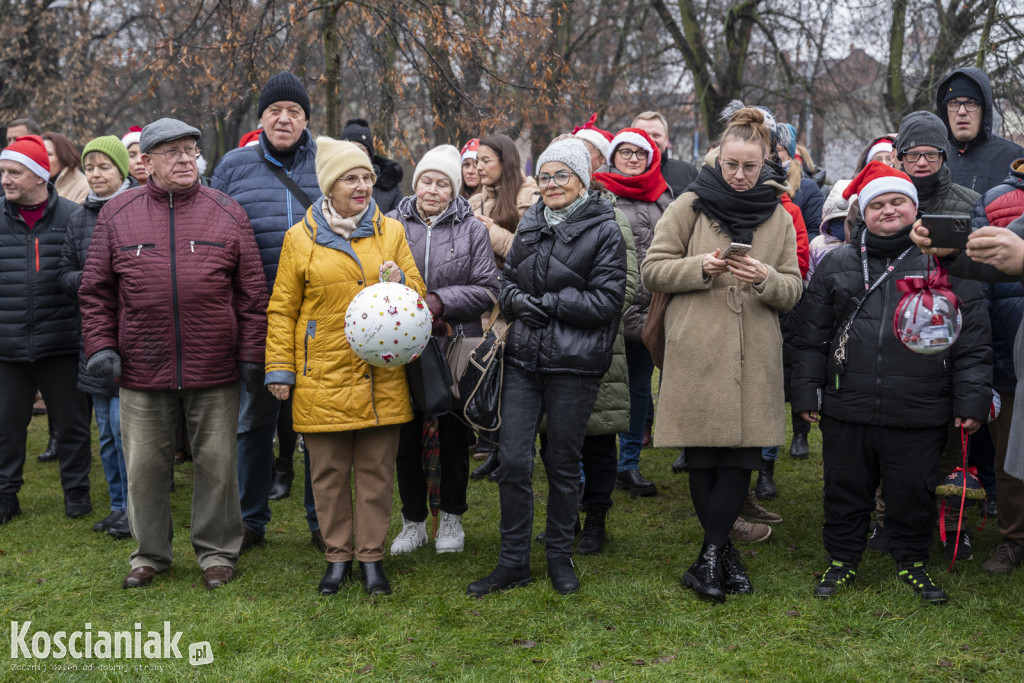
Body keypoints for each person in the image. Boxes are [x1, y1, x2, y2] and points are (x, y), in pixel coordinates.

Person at [79, 118, 269, 590]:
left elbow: (251, 294)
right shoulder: (118, 214)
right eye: (173, 152)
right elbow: (96, 292)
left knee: (217, 464)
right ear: (146, 162)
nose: (186, 159)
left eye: (191, 150)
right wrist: (102, 347)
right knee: (143, 466)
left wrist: (250, 353)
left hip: (214, 365)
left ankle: (217, 553)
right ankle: (149, 555)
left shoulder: (227, 211)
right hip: (143, 364)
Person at [792, 162, 991, 605]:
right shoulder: (838, 262)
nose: (888, 211)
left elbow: (974, 340)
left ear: (914, 208)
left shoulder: (947, 263)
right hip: (848, 404)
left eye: (897, 202)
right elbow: (810, 337)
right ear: (863, 212)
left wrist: (971, 399)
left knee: (911, 489)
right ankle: (843, 558)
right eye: (877, 204)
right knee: (845, 486)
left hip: (919, 406)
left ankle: (912, 560)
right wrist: (806, 391)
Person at [641, 107, 802, 602]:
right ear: (717, 158)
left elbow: (794, 288)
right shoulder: (688, 205)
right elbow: (652, 270)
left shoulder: (778, 214)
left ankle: (710, 558)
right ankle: (721, 555)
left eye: (749, 166)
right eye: (731, 164)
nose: (739, 174)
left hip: (754, 353)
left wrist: (767, 280)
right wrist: (702, 266)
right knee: (703, 457)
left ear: (765, 164)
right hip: (698, 349)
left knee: (741, 461)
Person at [466, 137, 627, 597]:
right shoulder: (533, 220)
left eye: (564, 176)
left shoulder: (605, 229)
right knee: (514, 461)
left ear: (582, 181)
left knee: (561, 461)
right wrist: (519, 301)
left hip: (573, 364)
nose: (553, 184)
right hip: (522, 357)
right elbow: (507, 279)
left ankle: (559, 554)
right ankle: (513, 560)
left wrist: (549, 303)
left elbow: (607, 300)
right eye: (548, 176)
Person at [264, 136, 425, 596]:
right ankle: (337, 557)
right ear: (329, 185)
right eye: (350, 178)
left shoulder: (390, 231)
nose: (361, 187)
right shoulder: (300, 238)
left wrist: (400, 280)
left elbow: (415, 288)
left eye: (367, 178)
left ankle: (371, 558)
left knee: (376, 470)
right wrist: (280, 367)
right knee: (328, 473)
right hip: (323, 374)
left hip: (381, 373)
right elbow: (282, 308)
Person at [210, 71, 323, 553]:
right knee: (253, 422)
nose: (283, 118)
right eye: (274, 110)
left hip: (320, 317)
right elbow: (212, 231)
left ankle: (324, 522)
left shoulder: (330, 161)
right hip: (256, 315)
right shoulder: (233, 166)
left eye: (293, 111)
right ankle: (250, 518)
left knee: (320, 423)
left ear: (306, 120)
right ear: (261, 119)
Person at [386, 144, 498, 555]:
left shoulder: (472, 229)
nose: (432, 190)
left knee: (453, 435)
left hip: (453, 344)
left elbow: (489, 289)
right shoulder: (391, 223)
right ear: (416, 184)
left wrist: (438, 302)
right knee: (406, 436)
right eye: (426, 181)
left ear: (453, 190)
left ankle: (451, 517)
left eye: (442, 183)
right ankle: (412, 520)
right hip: (402, 347)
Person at [0, 134, 92, 525]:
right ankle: (5, 495)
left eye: (14, 172)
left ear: (40, 176)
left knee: (72, 426)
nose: (5, 179)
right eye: (2, 171)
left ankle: (76, 492)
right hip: (7, 347)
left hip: (62, 343)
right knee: (6, 427)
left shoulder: (74, 216)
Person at [57, 136, 136, 540]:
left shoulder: (138, 209)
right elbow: (65, 271)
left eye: (104, 167)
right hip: (93, 333)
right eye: (90, 167)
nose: (95, 174)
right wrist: (91, 282)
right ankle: (118, 504)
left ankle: (137, 508)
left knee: (128, 431)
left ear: (122, 171)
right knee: (105, 430)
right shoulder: (78, 219)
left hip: (134, 335)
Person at [593, 127, 672, 497]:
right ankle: (589, 466)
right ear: (613, 157)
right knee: (598, 390)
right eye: (624, 152)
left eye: (639, 153)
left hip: (648, 310)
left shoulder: (663, 198)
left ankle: (629, 465)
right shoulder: (597, 194)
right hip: (605, 309)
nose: (632, 159)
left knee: (640, 388)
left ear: (651, 158)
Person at [467, 133, 540, 480]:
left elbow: (534, 256)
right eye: (476, 161)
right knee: (488, 376)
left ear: (505, 161)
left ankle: (515, 454)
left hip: (517, 303)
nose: (478, 166)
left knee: (512, 381)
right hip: (485, 300)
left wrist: (492, 232)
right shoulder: (475, 199)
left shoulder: (530, 195)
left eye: (485, 160)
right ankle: (494, 451)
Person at [935, 67, 1024, 194]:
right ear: (945, 110)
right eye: (954, 103)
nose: (961, 112)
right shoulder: (930, 156)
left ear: (984, 109)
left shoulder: (1016, 160)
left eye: (971, 103)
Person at [340, 117, 404, 214]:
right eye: (350, 149)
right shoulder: (332, 182)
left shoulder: (390, 187)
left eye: (361, 149)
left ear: (369, 154)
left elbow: (401, 223)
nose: (355, 154)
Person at [632, 111, 698, 196]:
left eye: (656, 135)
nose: (651, 140)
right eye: (644, 135)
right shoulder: (621, 173)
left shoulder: (687, 172)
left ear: (666, 139)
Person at [42, 132, 89, 204]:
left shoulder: (84, 187)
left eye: (48, 154)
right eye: (39, 154)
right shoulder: (33, 184)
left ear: (64, 157)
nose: (42, 159)